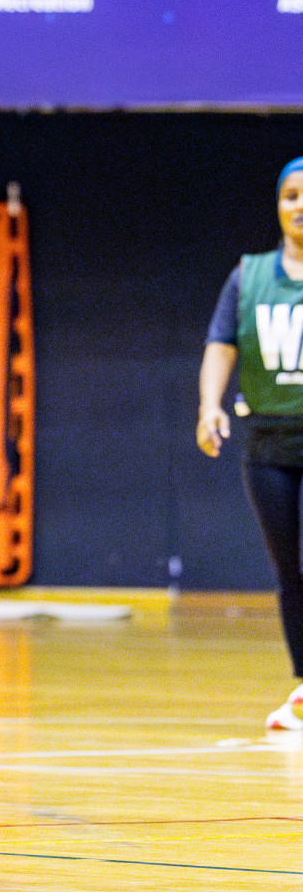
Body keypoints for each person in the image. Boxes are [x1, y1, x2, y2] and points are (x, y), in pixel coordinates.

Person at [197, 156, 303, 732]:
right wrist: (210, 405)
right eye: (290, 195)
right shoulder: (250, 275)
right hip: (269, 441)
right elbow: (221, 345)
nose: (300, 205)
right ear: (279, 205)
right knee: (290, 567)